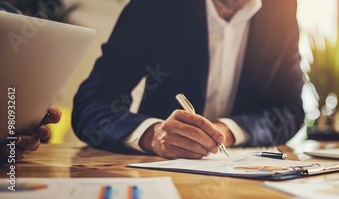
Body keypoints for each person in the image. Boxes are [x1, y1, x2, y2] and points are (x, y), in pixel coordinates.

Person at [72, 0, 304, 159]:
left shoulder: (281, 9)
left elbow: (289, 110)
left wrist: (229, 130)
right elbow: (92, 104)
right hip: (160, 176)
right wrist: (153, 135)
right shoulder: (154, 7)